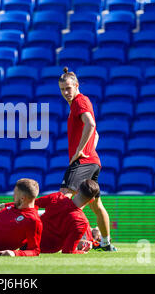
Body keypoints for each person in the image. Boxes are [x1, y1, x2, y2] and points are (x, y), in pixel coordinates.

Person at [58, 67, 117, 251]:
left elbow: (91, 125)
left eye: (68, 88)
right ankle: (106, 244)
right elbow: (96, 134)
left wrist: (80, 151)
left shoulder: (79, 101)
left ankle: (69, 240)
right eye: (62, 89)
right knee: (96, 205)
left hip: (83, 161)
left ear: (76, 86)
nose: (66, 92)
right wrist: (90, 150)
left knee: (62, 198)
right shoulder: (79, 103)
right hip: (93, 161)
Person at [0, 179, 101, 254]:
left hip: (25, 240)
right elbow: (68, 251)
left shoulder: (57, 197)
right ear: (91, 200)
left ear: (77, 190)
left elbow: (29, 203)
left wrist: (4, 205)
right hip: (45, 250)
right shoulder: (82, 222)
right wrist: (82, 252)